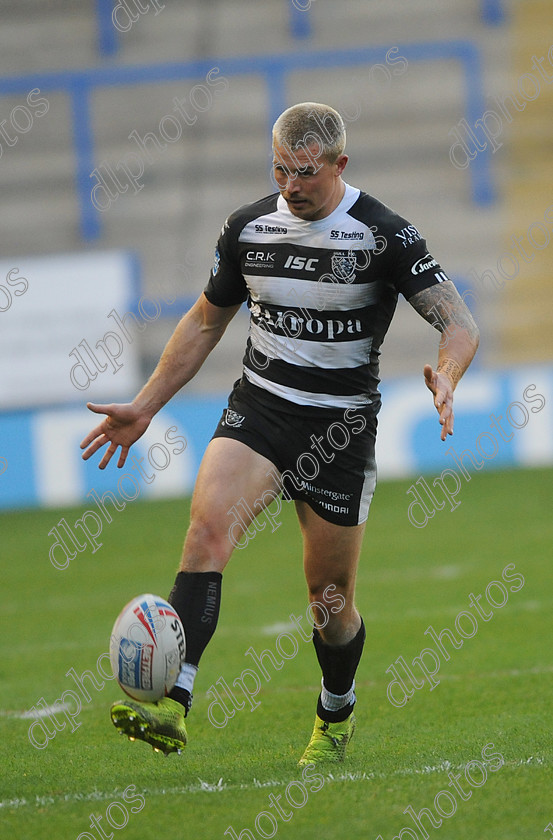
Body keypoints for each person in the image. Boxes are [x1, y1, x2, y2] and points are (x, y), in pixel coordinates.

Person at [80, 102, 479, 765]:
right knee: (207, 532)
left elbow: (458, 322)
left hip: (340, 430)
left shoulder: (384, 235)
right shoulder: (247, 228)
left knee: (329, 603)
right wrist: (147, 405)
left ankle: (335, 713)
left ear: (337, 165)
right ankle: (174, 702)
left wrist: (446, 372)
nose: (290, 187)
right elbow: (206, 322)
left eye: (304, 173)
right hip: (259, 412)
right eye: (279, 171)